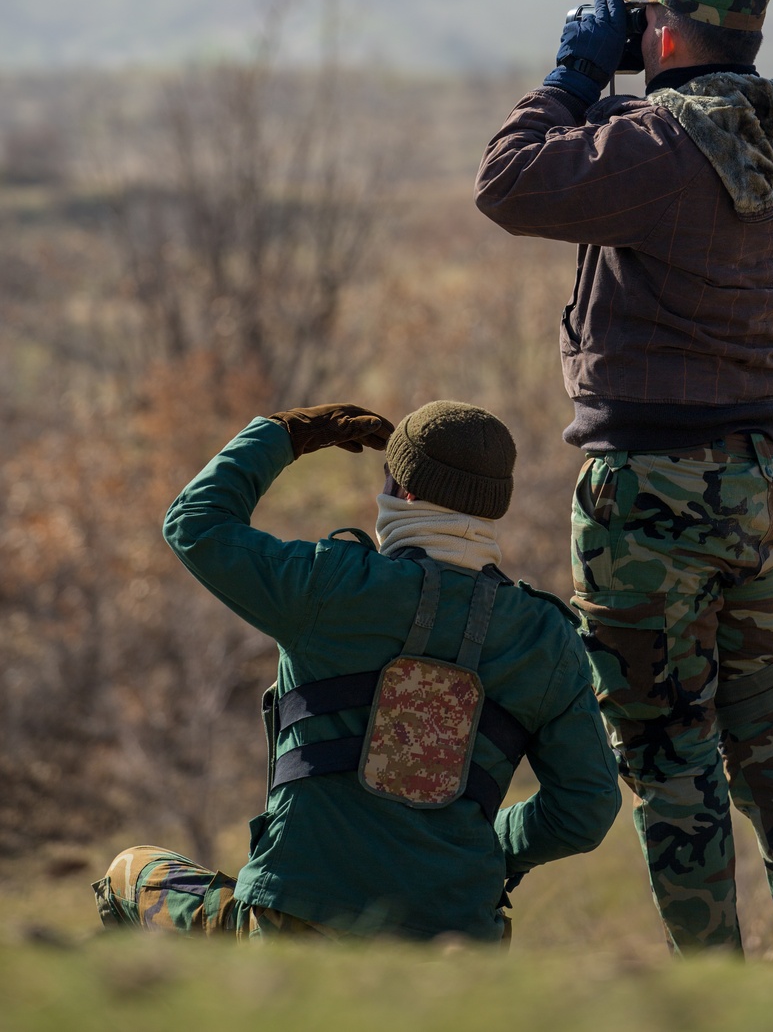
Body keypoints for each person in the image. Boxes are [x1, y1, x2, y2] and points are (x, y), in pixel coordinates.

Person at [474, 0, 773, 957]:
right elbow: (673, 152)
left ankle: (714, 986)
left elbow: (509, 183)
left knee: (666, 753)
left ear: (672, 31)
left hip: (647, 499)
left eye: (648, 22)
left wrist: (570, 74)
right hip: (756, 487)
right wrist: (622, 95)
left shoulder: (659, 151)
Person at [93, 400, 620, 942]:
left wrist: (283, 434)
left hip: (294, 920)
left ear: (404, 490)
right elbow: (585, 808)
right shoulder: (543, 637)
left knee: (129, 873)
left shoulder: (331, 584)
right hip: (454, 940)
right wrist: (486, 846)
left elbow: (195, 522)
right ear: (492, 507)